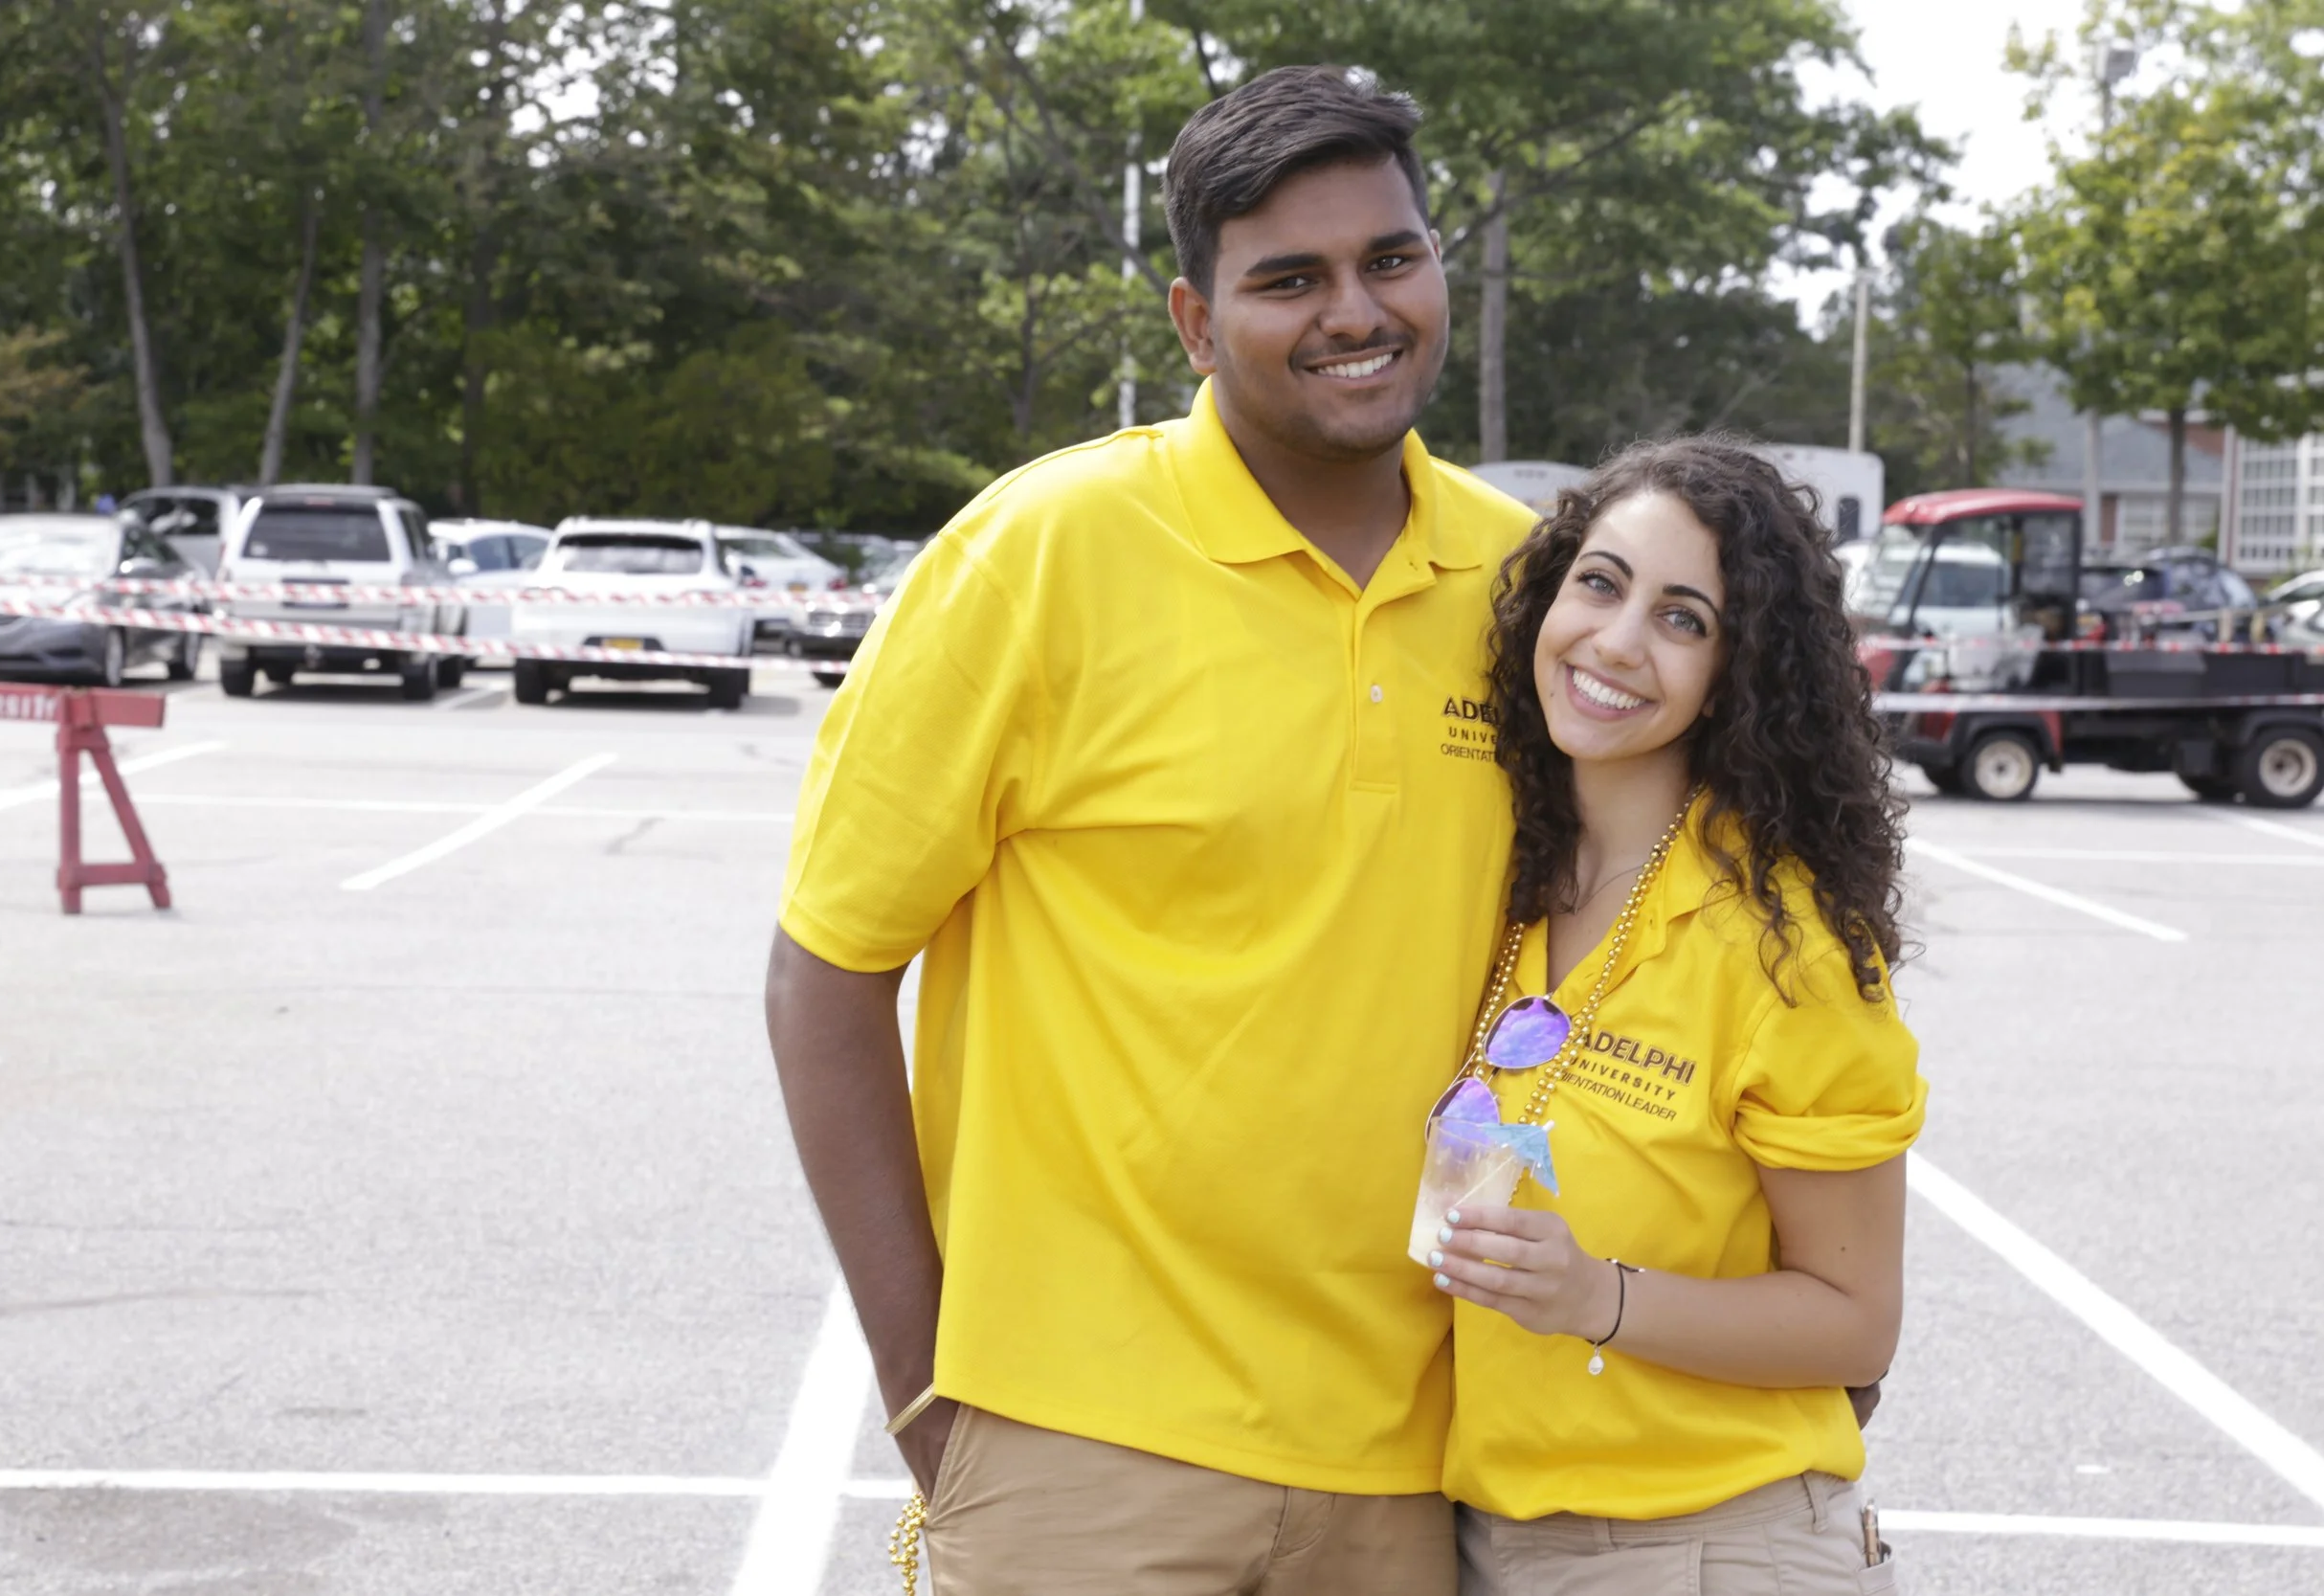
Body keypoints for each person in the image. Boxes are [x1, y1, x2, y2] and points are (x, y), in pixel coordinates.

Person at [765, 64, 1534, 1596]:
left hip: (1415, 1457)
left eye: (1392, 257)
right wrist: (934, 1401)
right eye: (1287, 279)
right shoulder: (1035, 553)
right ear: (1195, 320)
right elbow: (826, 974)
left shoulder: (1532, 587)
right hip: (1079, 1445)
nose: (1357, 311)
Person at [1422, 437, 1923, 1594]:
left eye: (1682, 618)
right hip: (1484, 1536)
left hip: (1706, 1546)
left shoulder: (1781, 942)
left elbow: (1855, 1323)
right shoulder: (1501, 877)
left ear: (1736, 674)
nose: (1614, 641)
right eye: (1599, 582)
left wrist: (1598, 1297)